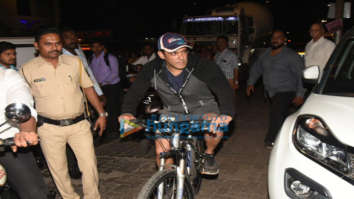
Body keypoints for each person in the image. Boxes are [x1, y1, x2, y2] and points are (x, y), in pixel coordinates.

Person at [119, 32, 235, 175]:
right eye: (174, 53)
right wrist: (127, 112)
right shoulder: (152, 69)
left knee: (215, 125)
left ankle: (208, 154)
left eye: (183, 51)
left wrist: (226, 114)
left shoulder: (203, 66)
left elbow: (224, 90)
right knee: (161, 151)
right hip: (172, 111)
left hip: (203, 107)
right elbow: (135, 92)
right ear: (162, 55)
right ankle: (166, 178)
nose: (181, 57)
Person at [20, 27, 106, 199]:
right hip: (48, 128)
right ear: (37, 46)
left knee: (89, 166)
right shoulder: (27, 69)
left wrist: (102, 114)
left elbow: (88, 88)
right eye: (48, 44)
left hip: (79, 125)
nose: (54, 47)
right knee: (58, 170)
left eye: (58, 43)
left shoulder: (74, 62)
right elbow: (24, 103)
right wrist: (27, 129)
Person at [246, 29, 305, 148]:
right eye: (273, 37)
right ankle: (288, 138)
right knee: (282, 116)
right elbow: (257, 68)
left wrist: (300, 94)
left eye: (279, 37)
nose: (275, 40)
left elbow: (301, 75)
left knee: (276, 113)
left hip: (287, 90)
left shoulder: (291, 55)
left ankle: (271, 140)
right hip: (271, 92)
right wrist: (250, 83)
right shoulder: (266, 54)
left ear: (284, 40)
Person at [0, 67, 51, 199]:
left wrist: (26, 131)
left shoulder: (7, 76)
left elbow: (22, 102)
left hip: (8, 144)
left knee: (34, 193)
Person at [61, 28, 106, 105]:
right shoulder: (60, 57)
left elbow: (88, 73)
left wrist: (99, 93)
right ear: (61, 40)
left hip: (88, 94)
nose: (72, 40)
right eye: (67, 37)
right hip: (72, 99)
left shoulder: (79, 52)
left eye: (73, 36)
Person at [90, 39, 122, 140]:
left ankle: (114, 132)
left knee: (112, 109)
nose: (95, 49)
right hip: (98, 88)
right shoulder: (92, 59)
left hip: (111, 87)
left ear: (102, 47)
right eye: (93, 47)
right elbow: (91, 73)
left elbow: (114, 74)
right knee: (101, 108)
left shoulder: (110, 58)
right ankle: (104, 130)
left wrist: (101, 82)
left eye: (97, 46)